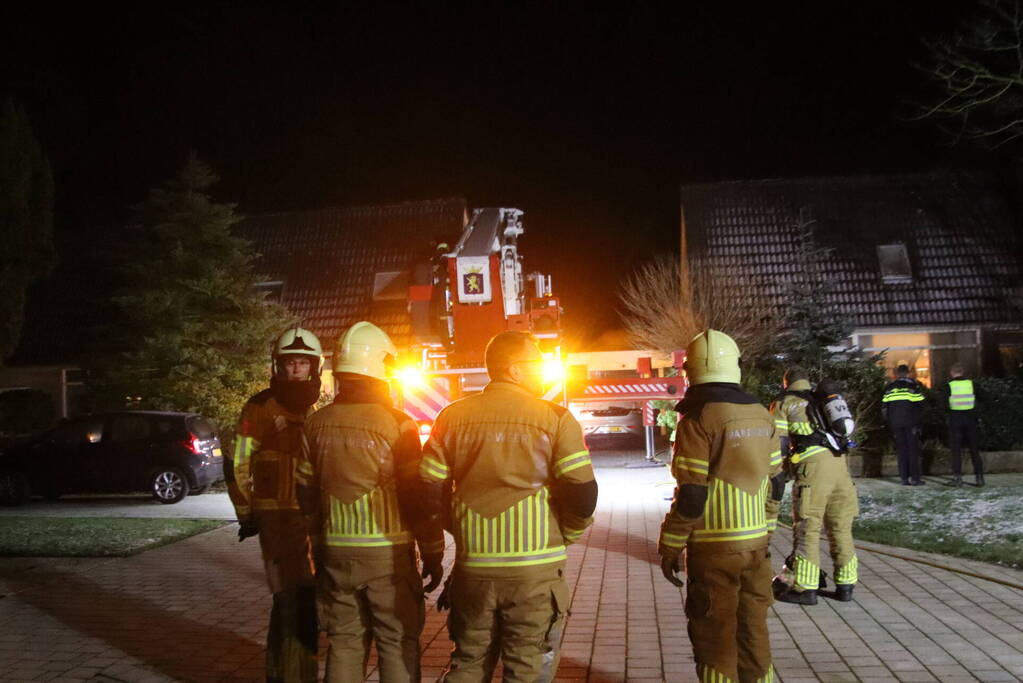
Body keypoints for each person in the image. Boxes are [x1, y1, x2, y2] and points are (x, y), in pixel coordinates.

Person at [419, 331, 598, 682]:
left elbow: (428, 493)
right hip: (535, 572)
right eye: (537, 363)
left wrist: (461, 527)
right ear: (514, 369)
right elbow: (582, 495)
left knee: (468, 663)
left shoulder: (450, 417)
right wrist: (565, 535)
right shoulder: (555, 418)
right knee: (527, 669)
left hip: (474, 570)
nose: (543, 369)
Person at [297, 321, 445, 682]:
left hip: (336, 552)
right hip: (387, 556)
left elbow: (305, 493)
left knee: (345, 643)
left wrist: (318, 547)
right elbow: (416, 497)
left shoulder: (315, 424)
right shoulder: (398, 425)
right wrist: (432, 552)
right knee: (396, 643)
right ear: (380, 368)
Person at [657, 329, 781, 682]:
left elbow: (692, 495)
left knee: (715, 640)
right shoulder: (761, 414)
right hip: (756, 547)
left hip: (714, 552)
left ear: (691, 370)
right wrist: (768, 529)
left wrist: (671, 545)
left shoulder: (698, 418)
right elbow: (776, 482)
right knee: (754, 635)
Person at [227, 327, 323, 683]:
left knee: (303, 597)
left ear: (314, 367)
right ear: (277, 367)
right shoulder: (260, 407)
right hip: (276, 517)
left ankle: (295, 672)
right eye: (289, 363)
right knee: (290, 598)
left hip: (308, 516)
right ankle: (287, 674)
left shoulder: (314, 409)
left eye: (302, 363)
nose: (296, 370)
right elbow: (236, 463)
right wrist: (246, 512)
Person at [772, 370, 859, 605]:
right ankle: (846, 586)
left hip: (813, 471)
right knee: (840, 528)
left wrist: (778, 473)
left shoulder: (784, 403)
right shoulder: (821, 400)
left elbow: (778, 444)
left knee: (807, 529)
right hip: (841, 469)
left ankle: (805, 588)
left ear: (786, 382)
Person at [937, 363, 986, 487]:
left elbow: (942, 404)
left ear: (952, 373)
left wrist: (948, 412)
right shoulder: (971, 384)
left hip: (955, 419)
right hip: (970, 419)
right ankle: (979, 478)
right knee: (974, 449)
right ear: (962, 372)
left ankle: (957, 478)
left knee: (956, 450)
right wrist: (976, 410)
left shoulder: (949, 385)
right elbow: (984, 397)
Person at [882, 364, 926, 485]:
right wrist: (919, 422)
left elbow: (884, 407)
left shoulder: (890, 387)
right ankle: (915, 478)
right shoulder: (913, 386)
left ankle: (904, 478)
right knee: (913, 450)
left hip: (896, 423)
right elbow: (921, 405)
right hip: (911, 423)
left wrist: (889, 423)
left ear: (896, 374)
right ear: (908, 373)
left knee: (901, 450)